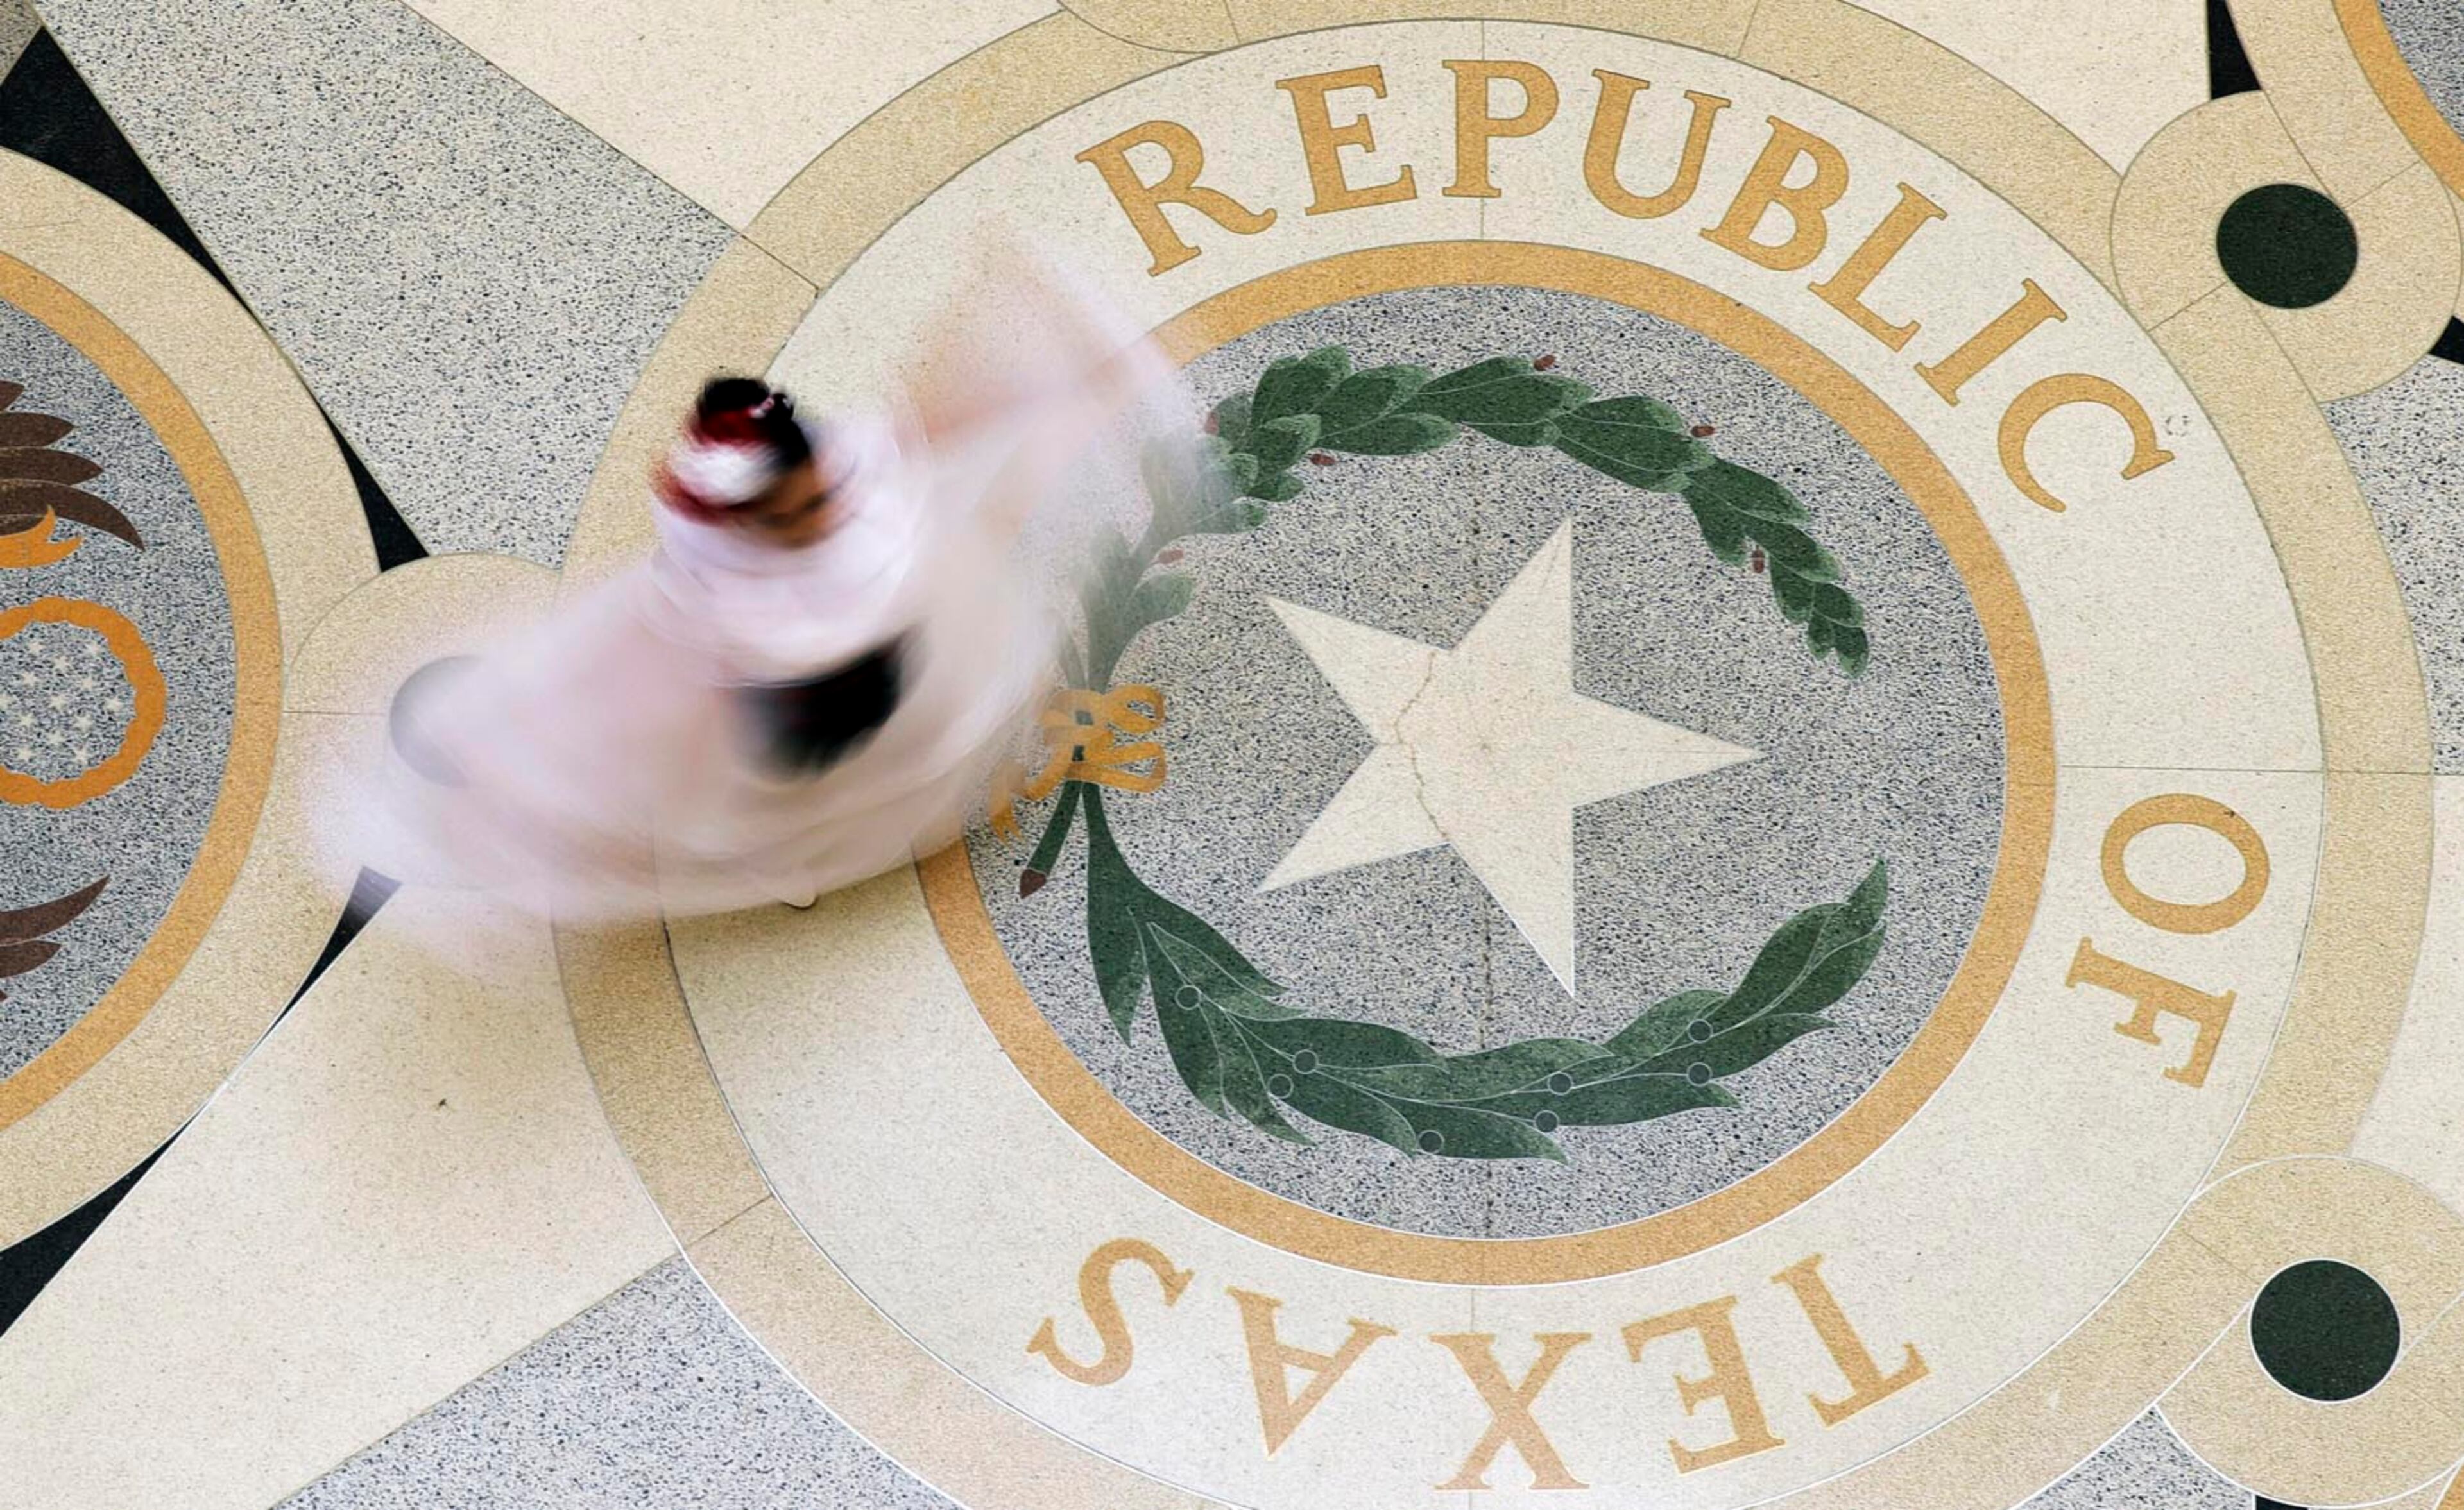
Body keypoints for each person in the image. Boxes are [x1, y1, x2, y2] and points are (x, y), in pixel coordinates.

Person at [355, 241, 1178, 921]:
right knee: (769, 800)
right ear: (755, 517)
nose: (828, 502)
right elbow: (824, 618)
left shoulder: (822, 478)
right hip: (806, 705)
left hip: (837, 673)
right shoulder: (748, 600)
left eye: (819, 487)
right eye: (803, 506)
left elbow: (923, 420)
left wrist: (1016, 324)